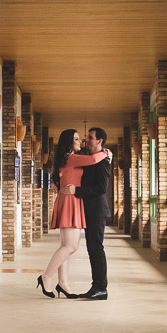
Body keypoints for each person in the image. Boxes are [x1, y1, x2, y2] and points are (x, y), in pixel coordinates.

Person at [36, 129, 110, 299]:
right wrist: (107, 152)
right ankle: (46, 276)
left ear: (99, 141)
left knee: (68, 246)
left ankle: (64, 283)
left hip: (75, 201)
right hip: (70, 201)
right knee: (70, 246)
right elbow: (92, 160)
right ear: (69, 142)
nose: (82, 141)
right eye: (77, 139)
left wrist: (58, 182)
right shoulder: (71, 157)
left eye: (87, 138)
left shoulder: (71, 158)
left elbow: (96, 183)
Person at [74, 127, 112, 300]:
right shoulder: (90, 159)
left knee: (96, 248)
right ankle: (96, 286)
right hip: (89, 210)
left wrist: (77, 191)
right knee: (92, 249)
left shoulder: (103, 162)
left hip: (97, 211)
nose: (86, 140)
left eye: (90, 138)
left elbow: (101, 188)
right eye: (87, 137)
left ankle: (101, 288)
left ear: (100, 141)